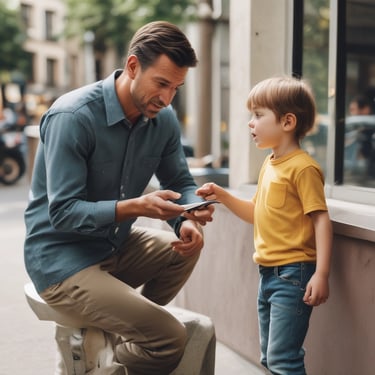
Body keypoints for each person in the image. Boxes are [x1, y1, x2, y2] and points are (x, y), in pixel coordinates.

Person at [24, 21, 214, 375]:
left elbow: (180, 180)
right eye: (161, 83)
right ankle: (106, 362)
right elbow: (63, 213)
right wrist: (137, 207)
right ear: (132, 66)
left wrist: (186, 217)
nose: (167, 98)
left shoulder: (164, 119)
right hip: (61, 259)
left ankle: (120, 333)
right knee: (169, 339)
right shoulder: (73, 116)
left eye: (176, 88)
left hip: (113, 245)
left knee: (185, 248)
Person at [196, 76, 332, 375]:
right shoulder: (270, 164)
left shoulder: (303, 168)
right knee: (271, 360)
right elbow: (256, 212)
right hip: (268, 274)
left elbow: (321, 219)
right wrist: (220, 195)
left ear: (287, 122)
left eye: (258, 115)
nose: (250, 123)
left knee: (285, 359)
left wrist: (321, 273)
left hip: (294, 274)